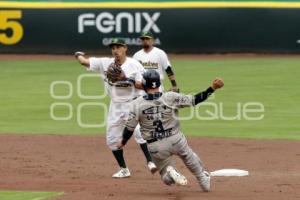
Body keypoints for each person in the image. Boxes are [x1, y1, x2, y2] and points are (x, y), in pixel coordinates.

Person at [118, 70, 224, 191]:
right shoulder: (171, 97)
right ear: (158, 84)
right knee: (190, 158)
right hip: (176, 139)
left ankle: (170, 173)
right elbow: (195, 99)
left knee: (165, 177)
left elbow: (129, 129)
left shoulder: (136, 104)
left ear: (144, 84)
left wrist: (123, 142)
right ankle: (203, 180)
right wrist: (212, 88)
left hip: (156, 146)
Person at [74, 38, 157, 178]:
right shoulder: (104, 63)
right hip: (116, 106)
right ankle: (124, 169)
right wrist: (78, 55)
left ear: (125, 48)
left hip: (134, 103)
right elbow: (84, 62)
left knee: (138, 132)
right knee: (112, 139)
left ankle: (150, 161)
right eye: (113, 48)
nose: (115, 50)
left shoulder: (134, 65)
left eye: (118, 47)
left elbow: (145, 85)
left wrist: (125, 79)